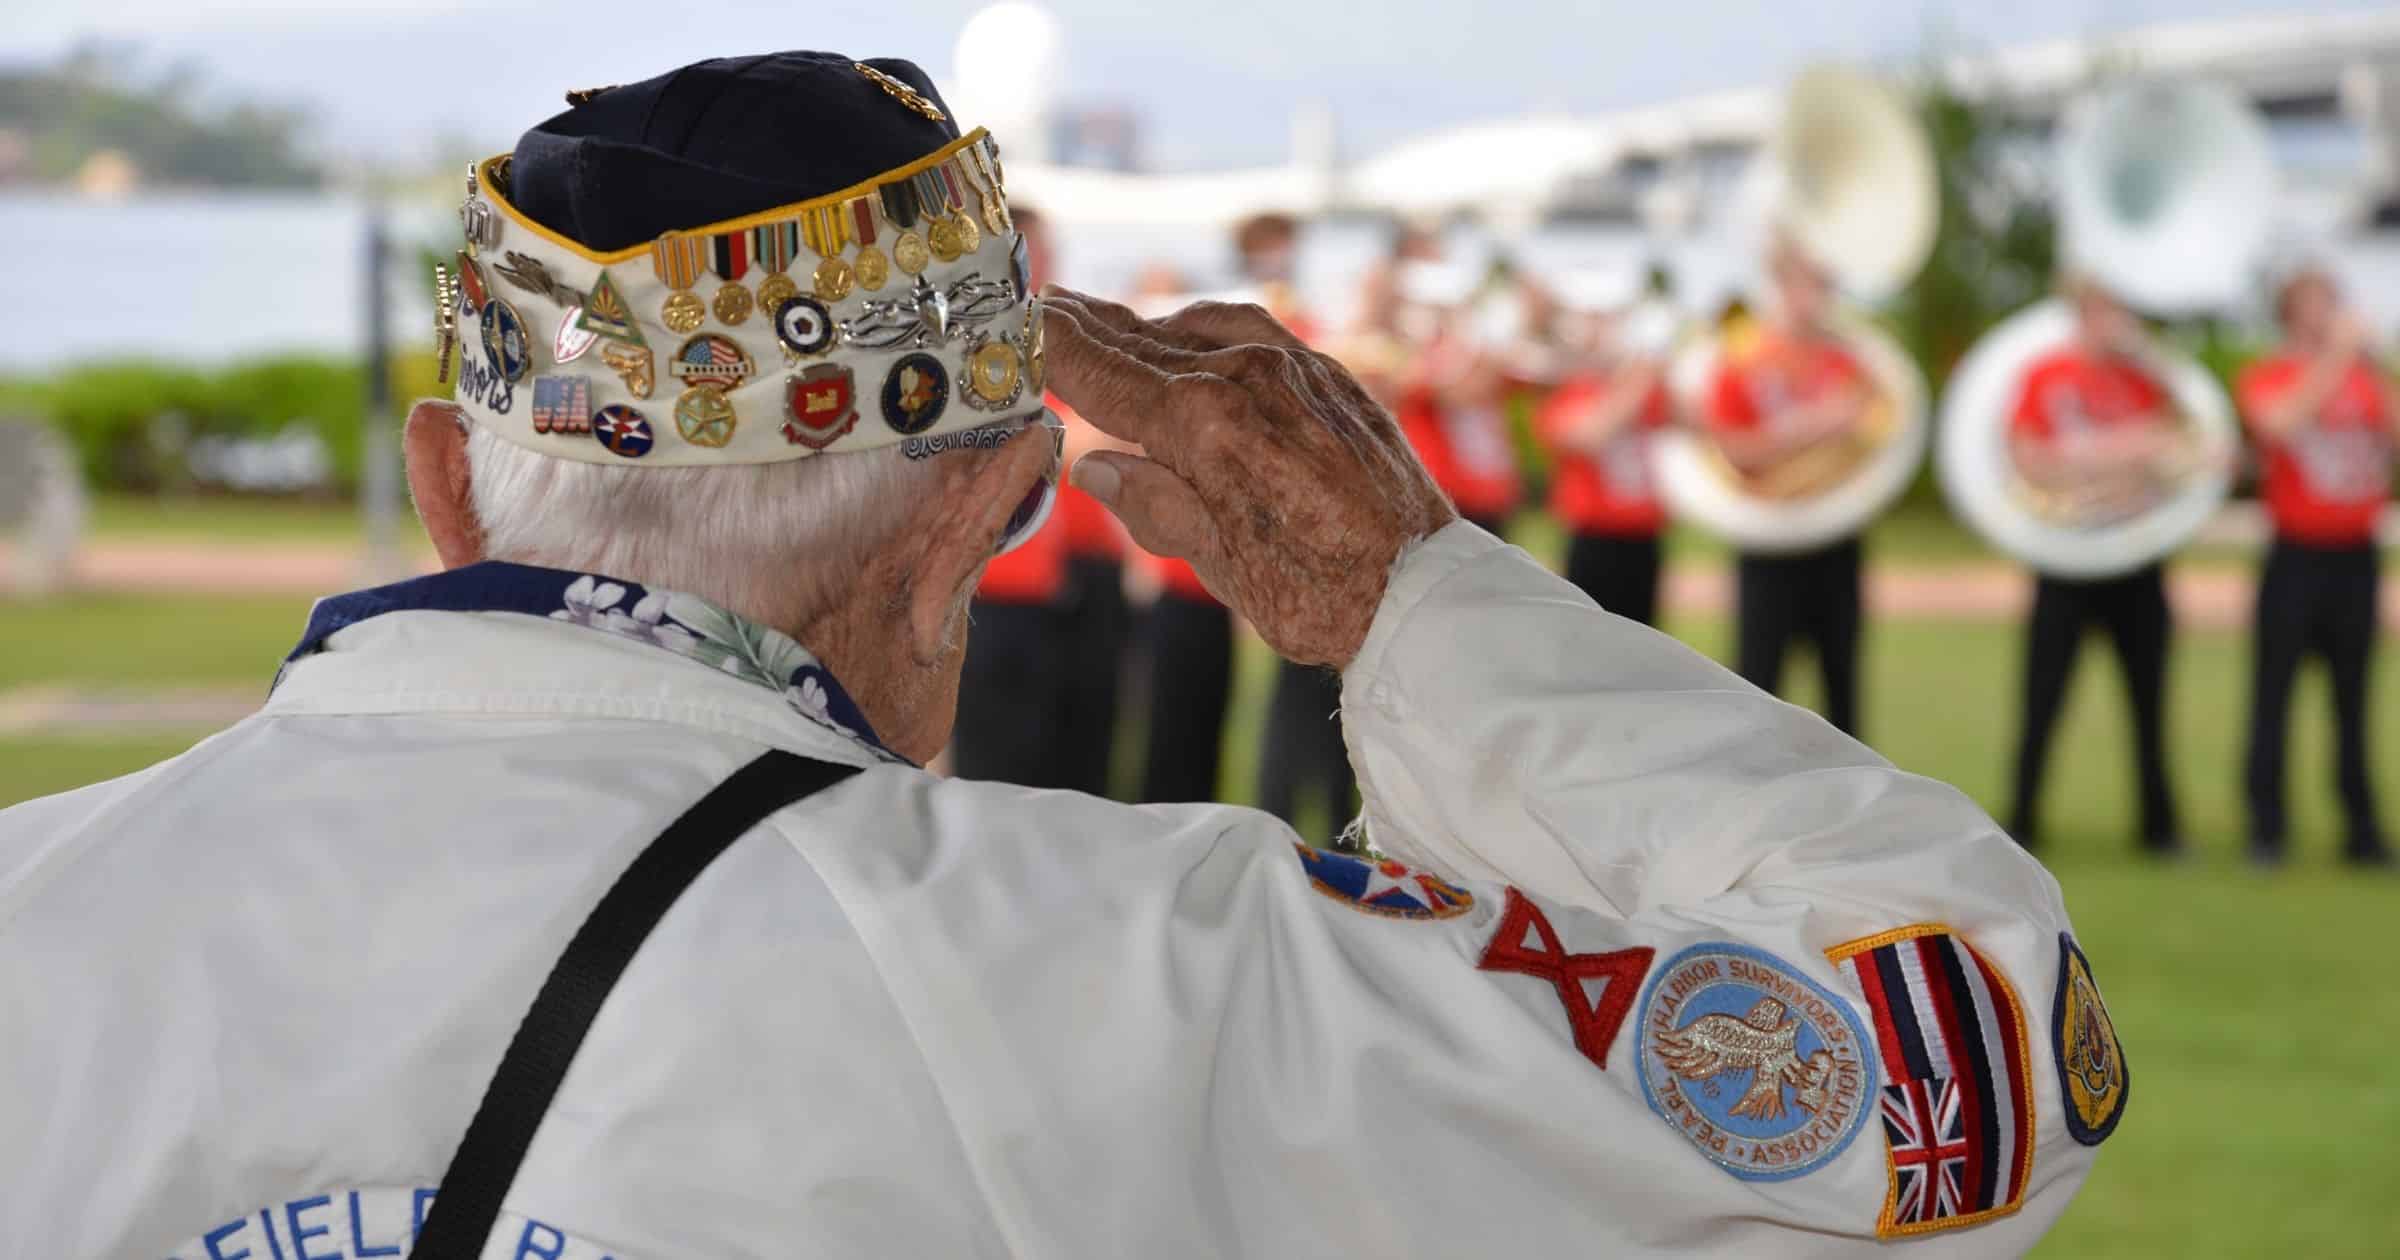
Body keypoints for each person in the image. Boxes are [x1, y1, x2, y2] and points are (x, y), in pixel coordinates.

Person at [1, 52, 2120, 1258]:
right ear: (978, 522)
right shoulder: (1133, 961)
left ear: (447, 482)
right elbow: (1965, 1062)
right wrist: (1411, 601)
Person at [2002, 276, 2195, 856]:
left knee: (2149, 700)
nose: (2113, 321)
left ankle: (2160, 828)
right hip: (2066, 560)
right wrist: (2126, 452)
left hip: (2136, 559)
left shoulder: (2148, 381)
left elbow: (2185, 448)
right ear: (2081, 311)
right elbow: (2032, 462)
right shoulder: (2045, 375)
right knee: (2042, 698)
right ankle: (2023, 821)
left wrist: (2106, 458)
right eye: (2102, 309)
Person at [949, 204, 1126, 795]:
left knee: (1048, 772)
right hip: (989, 591)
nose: (1044, 267)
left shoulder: (1028, 336)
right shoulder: (971, 335)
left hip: (1041, 589)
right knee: (995, 778)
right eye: (1033, 253)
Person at [2235, 264, 2394, 867]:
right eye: (2313, 302)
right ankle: (2266, 827)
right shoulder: (2272, 374)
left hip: (2356, 556)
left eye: (2332, 300)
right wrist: (2336, 360)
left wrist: (2369, 367)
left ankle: (2362, 828)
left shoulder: (2365, 378)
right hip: (2296, 555)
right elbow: (2278, 423)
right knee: (2273, 694)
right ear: (2291, 312)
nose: (2327, 312)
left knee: (2353, 699)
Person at [1703, 235, 1873, 734]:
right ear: (1780, 283)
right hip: (1767, 540)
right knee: (1758, 687)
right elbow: (1731, 451)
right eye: (1809, 283)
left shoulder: (1851, 362)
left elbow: (1875, 443)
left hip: (1836, 540)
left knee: (1843, 690)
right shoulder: (1742, 358)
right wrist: (1812, 426)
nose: (1819, 296)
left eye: (1826, 284)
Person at [1536, 287, 1673, 625]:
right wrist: (1640, 374)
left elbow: (1691, 424)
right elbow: (1593, 435)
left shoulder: (1646, 387)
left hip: (1644, 533)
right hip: (1594, 537)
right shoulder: (1569, 393)